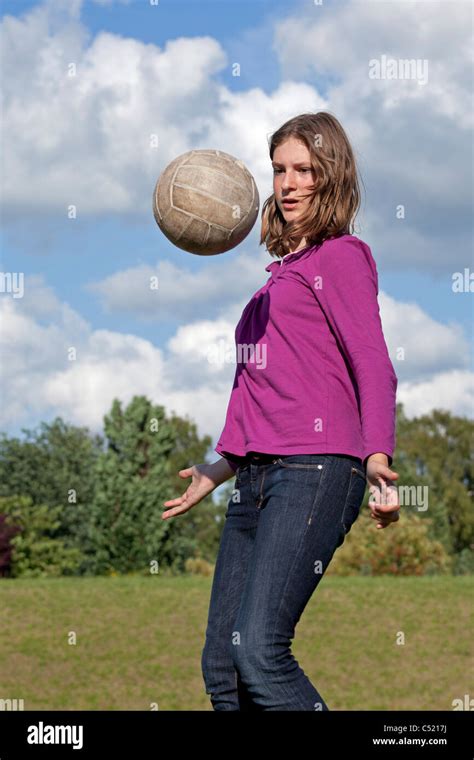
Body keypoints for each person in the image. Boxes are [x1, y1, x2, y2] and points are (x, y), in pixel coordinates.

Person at [162, 111, 400, 711]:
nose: (289, 183)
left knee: (261, 652)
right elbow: (257, 392)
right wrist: (216, 471)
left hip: (316, 472)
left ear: (331, 177)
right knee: (224, 666)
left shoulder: (341, 258)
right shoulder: (276, 280)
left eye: (304, 170)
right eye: (279, 171)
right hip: (258, 476)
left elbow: (373, 362)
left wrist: (378, 458)